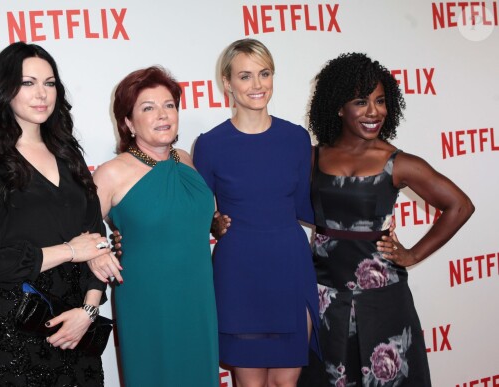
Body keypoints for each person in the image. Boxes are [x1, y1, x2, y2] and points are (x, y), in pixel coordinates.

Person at [299, 52, 475, 386]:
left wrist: (412, 255)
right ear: (338, 107)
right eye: (361, 102)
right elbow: (274, 202)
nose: (374, 111)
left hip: (382, 296)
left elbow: (459, 206)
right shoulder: (311, 157)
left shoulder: (398, 162)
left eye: (380, 101)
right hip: (325, 295)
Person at [0, 42, 119, 386]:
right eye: (28, 83)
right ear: (5, 89)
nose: (42, 93)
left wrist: (88, 310)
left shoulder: (69, 154)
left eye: (49, 83)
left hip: (75, 324)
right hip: (9, 325)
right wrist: (71, 251)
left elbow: (95, 238)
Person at [193, 38, 321, 387]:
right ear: (227, 84)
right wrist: (213, 223)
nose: (257, 84)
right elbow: (200, 213)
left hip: (290, 266)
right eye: (245, 76)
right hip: (240, 272)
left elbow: (306, 206)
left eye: (264, 73)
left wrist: (367, 217)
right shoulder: (210, 144)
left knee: (286, 382)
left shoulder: (296, 138)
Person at [87, 66, 219, 386]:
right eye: (148, 108)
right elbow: (81, 231)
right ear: (128, 122)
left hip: (198, 296)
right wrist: (101, 246)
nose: (162, 115)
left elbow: (197, 217)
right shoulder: (111, 173)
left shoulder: (185, 160)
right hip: (148, 301)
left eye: (169, 105)